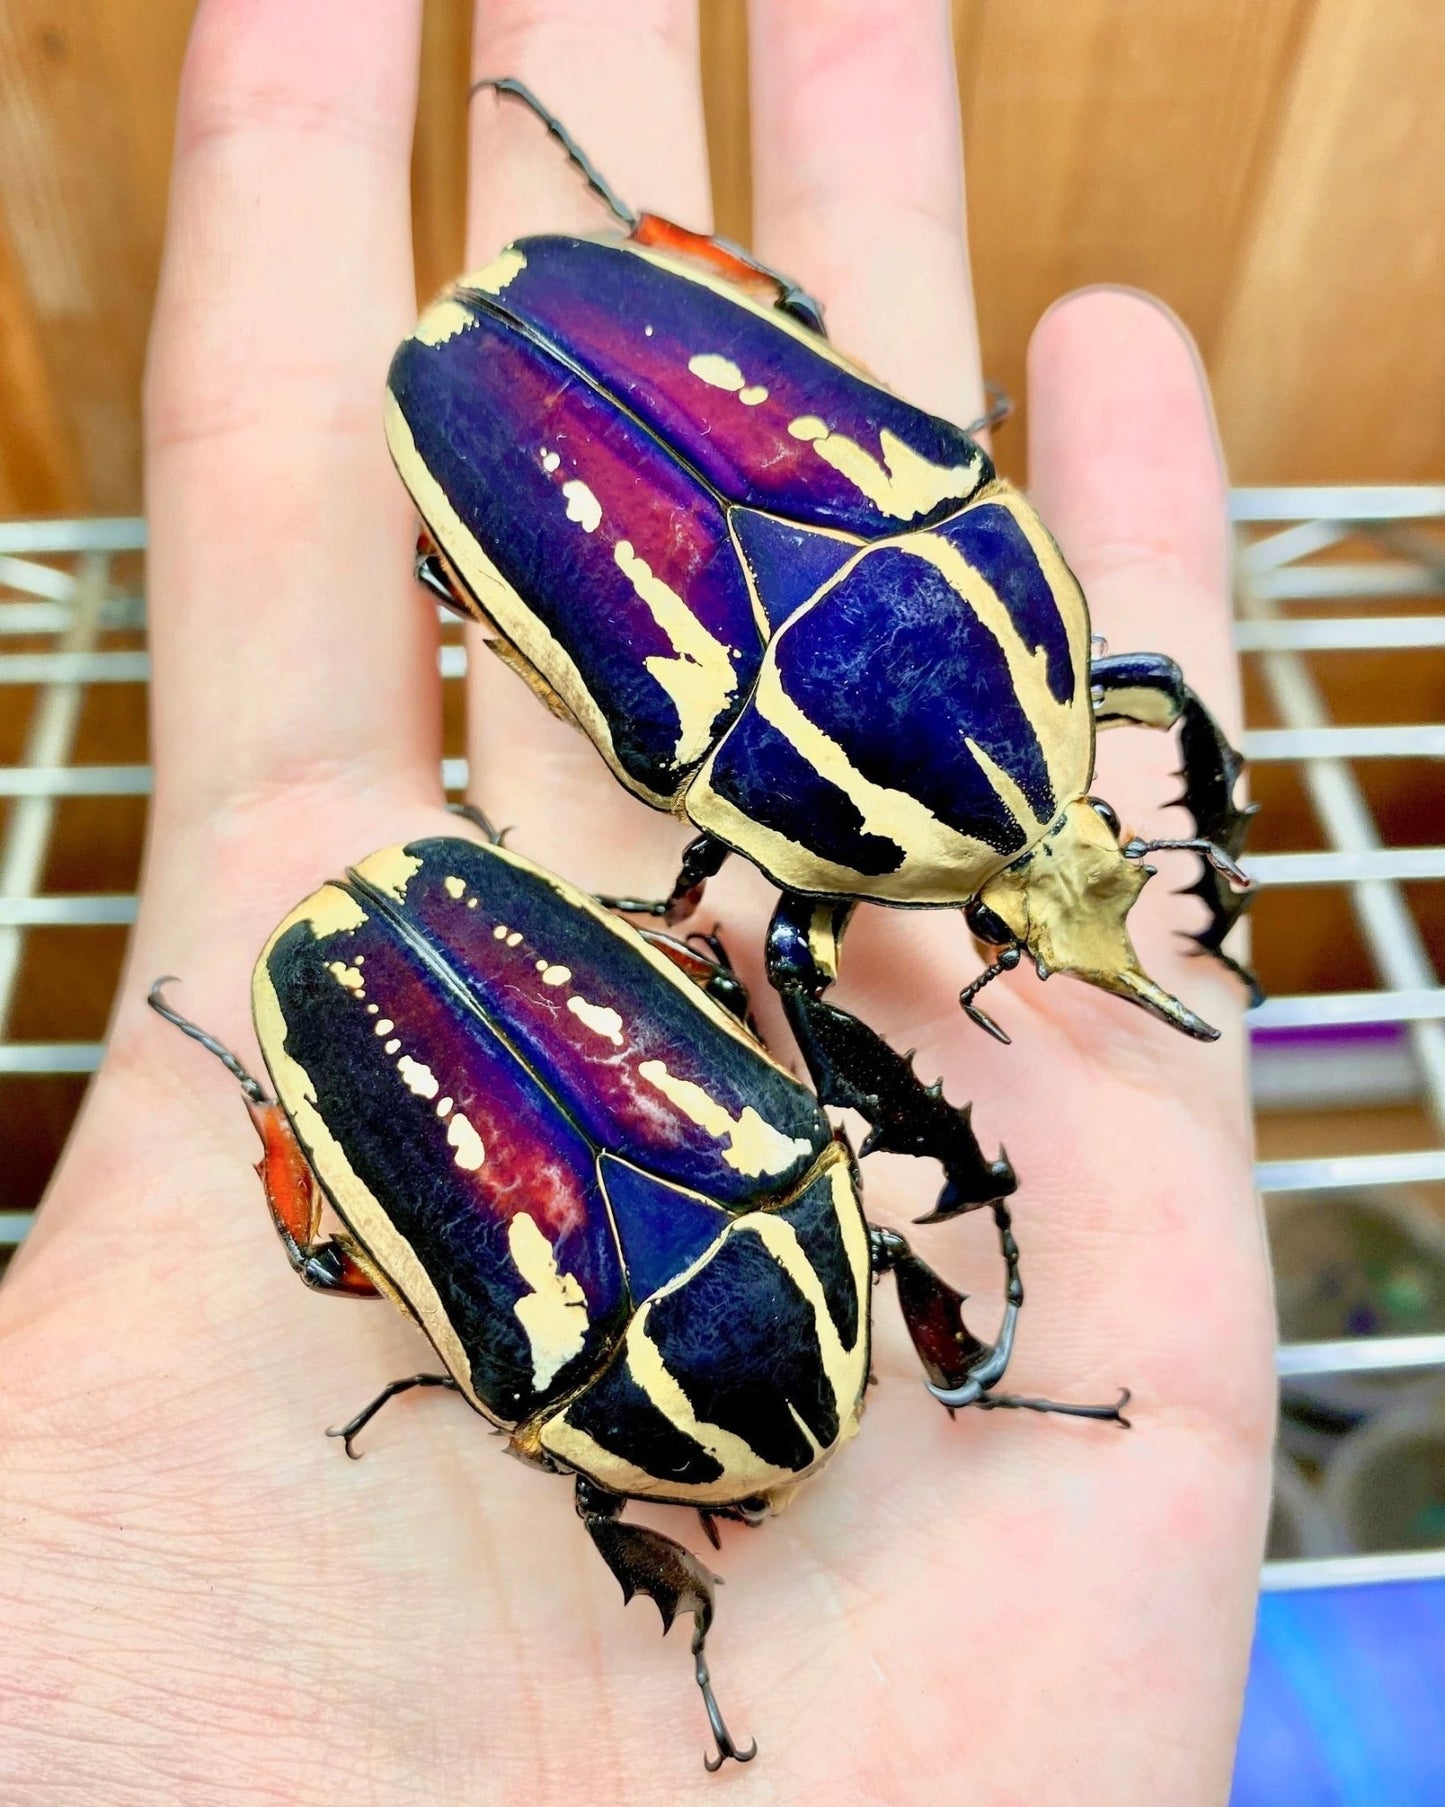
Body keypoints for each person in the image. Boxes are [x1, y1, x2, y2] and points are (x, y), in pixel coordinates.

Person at [0, 2, 1273, 1799]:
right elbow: (784, 1004)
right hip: (603, 526)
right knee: (783, 964)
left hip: (651, 520)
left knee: (782, 950)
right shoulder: (1004, 655)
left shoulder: (994, 612)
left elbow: (785, 1007)